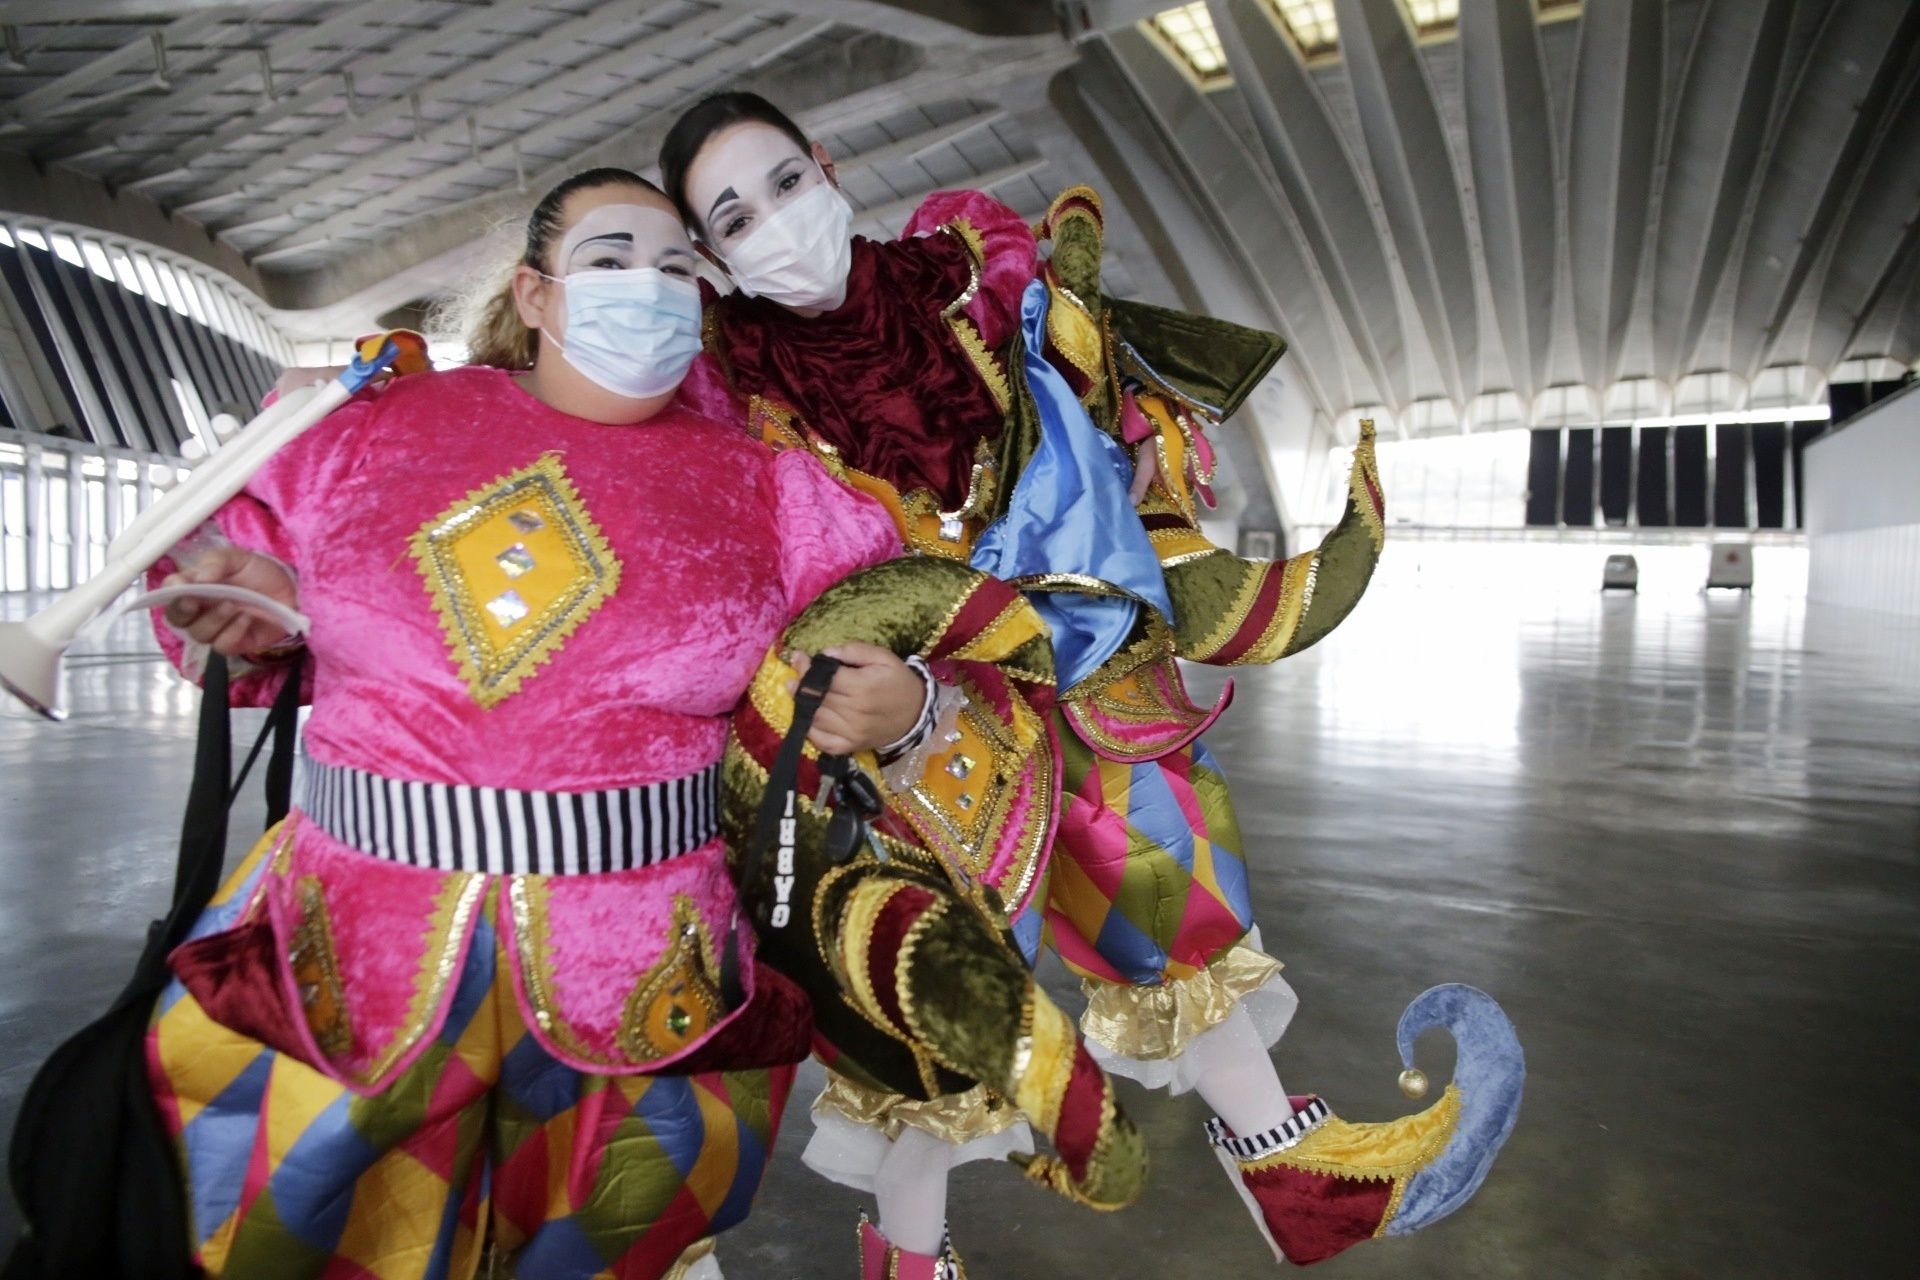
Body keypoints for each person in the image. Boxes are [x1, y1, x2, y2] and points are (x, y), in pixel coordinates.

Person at [657, 92, 1520, 1273]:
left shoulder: (966, 278)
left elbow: (1094, 432)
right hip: (908, 733)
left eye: (784, 183)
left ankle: (1295, 1174)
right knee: (948, 1024)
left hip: (1075, 657)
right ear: (711, 255)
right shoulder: (726, 394)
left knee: (1167, 892)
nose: (776, 223)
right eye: (735, 216)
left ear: (826, 164)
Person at [142, 166, 924, 1280]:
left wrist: (906, 706)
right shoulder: (356, 432)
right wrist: (239, 612)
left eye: (675, 267)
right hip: (347, 958)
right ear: (537, 292)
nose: (647, 288)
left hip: (649, 981)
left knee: (614, 1245)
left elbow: (910, 645)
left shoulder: (778, 492)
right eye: (610, 260)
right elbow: (219, 611)